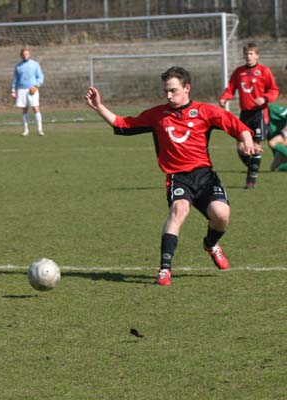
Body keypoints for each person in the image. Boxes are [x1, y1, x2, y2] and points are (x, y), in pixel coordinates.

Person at [85, 66, 255, 286]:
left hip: (204, 176)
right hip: (178, 176)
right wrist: (99, 107)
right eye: (166, 91)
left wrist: (246, 138)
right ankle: (165, 269)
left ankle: (211, 243)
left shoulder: (204, 111)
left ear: (187, 88)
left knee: (221, 216)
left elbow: (235, 124)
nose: (168, 95)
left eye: (173, 90)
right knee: (179, 209)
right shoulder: (157, 115)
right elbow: (123, 125)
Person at [219, 42, 280, 188]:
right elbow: (230, 88)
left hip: (259, 113)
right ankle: (253, 167)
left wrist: (264, 98)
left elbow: (274, 90)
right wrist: (224, 98)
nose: (249, 56)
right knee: (241, 148)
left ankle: (251, 180)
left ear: (257, 56)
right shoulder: (239, 72)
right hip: (245, 114)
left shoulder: (264, 71)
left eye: (251, 54)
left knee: (256, 146)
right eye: (246, 54)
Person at [10, 47, 45, 136]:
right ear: (21, 55)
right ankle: (26, 130)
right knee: (24, 109)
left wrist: (36, 86)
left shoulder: (35, 64)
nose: (26, 56)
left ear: (30, 55)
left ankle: (40, 130)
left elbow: (40, 77)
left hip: (32, 89)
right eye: (24, 54)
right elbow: (15, 79)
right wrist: (13, 90)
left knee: (35, 107)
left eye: (27, 54)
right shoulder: (18, 66)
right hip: (21, 89)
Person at [267, 103, 287, 171]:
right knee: (274, 168)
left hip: (285, 134)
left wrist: (286, 131)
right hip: (281, 137)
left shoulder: (272, 109)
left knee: (272, 142)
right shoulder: (259, 120)